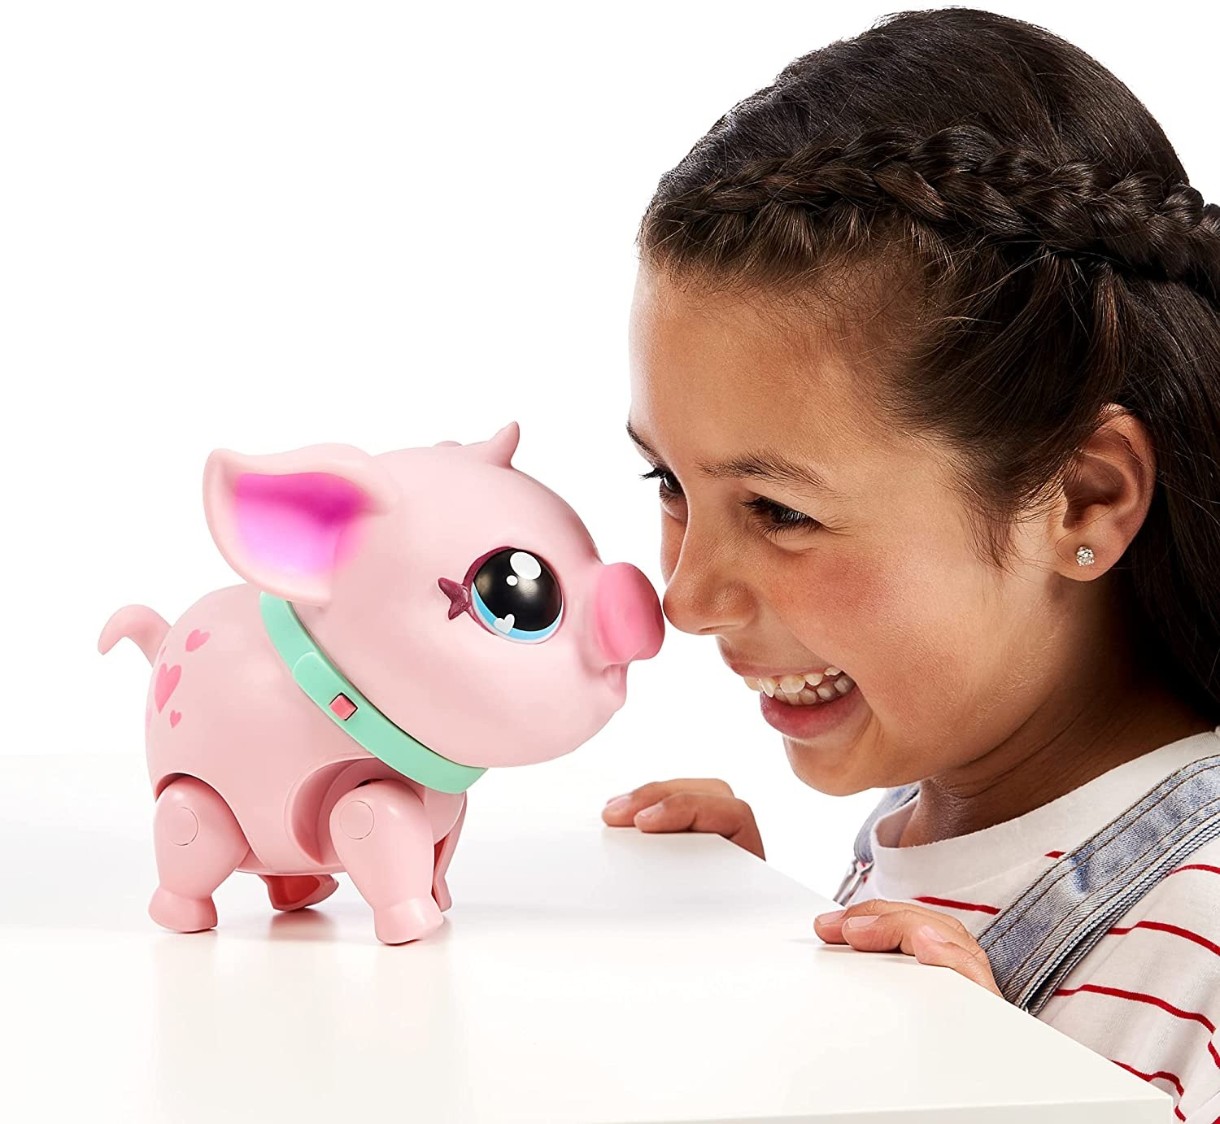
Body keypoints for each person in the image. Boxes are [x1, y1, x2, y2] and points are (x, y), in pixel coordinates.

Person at [601, 9, 1220, 1122]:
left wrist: (992, 1093)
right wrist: (755, 948)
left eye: (780, 510)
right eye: (668, 482)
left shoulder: (1200, 936)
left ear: (1084, 497)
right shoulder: (938, 817)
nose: (683, 600)